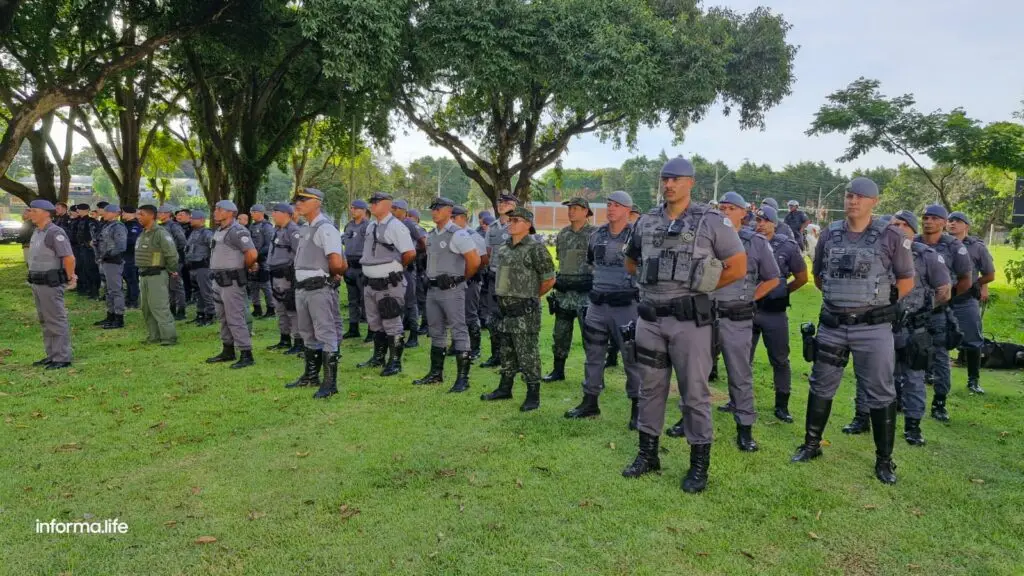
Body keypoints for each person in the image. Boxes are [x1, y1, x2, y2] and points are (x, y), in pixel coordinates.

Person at [621, 157, 746, 494]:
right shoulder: (647, 220)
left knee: (694, 394)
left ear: (691, 182)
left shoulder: (711, 220)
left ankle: (698, 466)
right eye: (665, 178)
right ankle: (648, 455)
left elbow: (737, 266)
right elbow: (631, 261)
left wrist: (702, 288)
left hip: (689, 322)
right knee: (650, 389)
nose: (669, 184)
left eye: (676, 179)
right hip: (650, 320)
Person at [791, 177, 914, 485]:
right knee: (821, 384)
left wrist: (878, 305)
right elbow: (820, 276)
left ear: (874, 202)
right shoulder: (829, 233)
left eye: (860, 196)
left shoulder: (892, 236)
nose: (853, 201)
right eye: (849, 196)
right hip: (833, 326)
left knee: (880, 391)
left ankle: (884, 460)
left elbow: (906, 280)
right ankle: (811, 445)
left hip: (873, 328)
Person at [565, 191, 643, 428]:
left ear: (628, 210)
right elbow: (592, 263)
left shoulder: (637, 236)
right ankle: (590, 401)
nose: (611, 208)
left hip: (626, 307)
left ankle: (638, 408)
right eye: (609, 204)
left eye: (617, 205)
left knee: (632, 357)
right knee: (593, 355)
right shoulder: (596, 234)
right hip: (598, 306)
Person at [709, 192, 780, 450]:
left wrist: (751, 298)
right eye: (721, 208)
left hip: (736, 318)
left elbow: (773, 278)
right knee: (695, 372)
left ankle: (745, 430)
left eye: (731, 208)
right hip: (704, 316)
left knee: (740, 375)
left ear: (743, 213)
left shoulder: (756, 242)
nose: (725, 212)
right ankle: (688, 418)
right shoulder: (705, 238)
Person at [479, 206, 556, 411]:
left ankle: (533, 395)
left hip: (524, 311)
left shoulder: (535, 248)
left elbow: (549, 279)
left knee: (527, 354)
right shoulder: (504, 248)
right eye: (510, 220)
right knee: (506, 351)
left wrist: (531, 297)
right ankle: (505, 388)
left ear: (528, 224)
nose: (510, 224)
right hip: (504, 310)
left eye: (516, 221)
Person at [891, 211, 951, 446]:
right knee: (875, 374)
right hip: (883, 324)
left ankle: (913, 427)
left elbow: (944, 291)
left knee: (913, 377)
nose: (897, 228)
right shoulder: (881, 251)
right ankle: (863, 417)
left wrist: (923, 309)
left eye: (903, 225)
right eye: (894, 224)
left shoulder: (927, 255)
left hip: (913, 327)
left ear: (913, 230)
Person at [284, 189, 347, 398]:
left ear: (317, 202)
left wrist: (334, 275)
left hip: (319, 287)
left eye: (303, 200)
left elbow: (337, 262)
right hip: (303, 288)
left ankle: (330, 383)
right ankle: (311, 376)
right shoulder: (306, 228)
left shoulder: (325, 228)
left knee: (325, 332)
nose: (298, 203)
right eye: (297, 200)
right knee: (307, 332)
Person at [413, 198, 481, 391]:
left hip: (451, 289)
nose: (434, 212)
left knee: (458, 330)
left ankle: (462, 379)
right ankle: (436, 374)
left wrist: (459, 278)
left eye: (438, 209)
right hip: (433, 289)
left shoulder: (458, 234)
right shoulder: (432, 234)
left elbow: (475, 261)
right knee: (436, 330)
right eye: (433, 209)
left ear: (449, 211)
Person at [750, 205, 807, 423]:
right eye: (758, 220)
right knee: (741, 358)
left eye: (766, 221)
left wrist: (782, 292)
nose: (761, 225)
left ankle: (782, 405)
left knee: (780, 359)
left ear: (775, 223)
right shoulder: (747, 241)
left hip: (774, 312)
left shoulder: (787, 246)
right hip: (748, 309)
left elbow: (801, 277)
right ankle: (738, 399)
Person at [916, 204, 972, 422]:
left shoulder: (953, 246)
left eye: (933, 218)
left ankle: (939, 402)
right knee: (906, 351)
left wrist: (947, 300)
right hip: (912, 310)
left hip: (938, 311)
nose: (928, 221)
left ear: (942, 222)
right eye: (925, 217)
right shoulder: (913, 242)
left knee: (940, 356)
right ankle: (902, 397)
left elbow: (965, 279)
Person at [357, 192, 417, 375]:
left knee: (392, 321)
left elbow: (410, 253)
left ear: (387, 205)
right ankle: (378, 357)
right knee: (375, 322)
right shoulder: (372, 225)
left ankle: (395, 362)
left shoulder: (396, 226)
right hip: (370, 283)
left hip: (388, 284)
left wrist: (397, 267)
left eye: (377, 202)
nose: (372, 205)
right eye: (372, 202)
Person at [541, 197, 596, 383]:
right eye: (569, 208)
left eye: (576, 208)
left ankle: (594, 376)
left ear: (586, 211)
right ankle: (558, 371)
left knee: (590, 336)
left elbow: (601, 264)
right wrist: (558, 282)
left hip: (585, 294)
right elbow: (561, 261)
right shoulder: (563, 234)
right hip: (564, 294)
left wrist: (590, 282)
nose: (571, 211)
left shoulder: (595, 234)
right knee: (560, 334)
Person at [205, 200, 259, 369]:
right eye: (215, 209)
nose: (215, 212)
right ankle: (228, 350)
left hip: (232, 281)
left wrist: (246, 266)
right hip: (218, 280)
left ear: (230, 212)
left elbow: (252, 253)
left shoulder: (237, 230)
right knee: (222, 317)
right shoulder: (220, 230)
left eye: (219, 209)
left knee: (235, 317)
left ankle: (246, 353)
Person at [947, 212, 995, 394]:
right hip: (940, 299)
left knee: (973, 339)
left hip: (965, 299)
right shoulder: (939, 243)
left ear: (966, 225)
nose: (952, 224)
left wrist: (977, 285)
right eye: (950, 221)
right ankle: (930, 374)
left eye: (957, 221)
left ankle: (973, 380)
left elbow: (989, 273)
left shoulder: (976, 247)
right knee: (933, 336)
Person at [25, 199, 76, 369]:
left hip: (50, 284)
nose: (30, 213)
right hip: (38, 282)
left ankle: (62, 357)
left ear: (46, 213)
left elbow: (69, 258)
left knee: (55, 319)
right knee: (45, 320)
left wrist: (70, 277)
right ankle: (52, 355)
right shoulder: (37, 231)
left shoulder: (55, 232)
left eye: (34, 211)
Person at [480, 193, 519, 368]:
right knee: (493, 318)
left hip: (511, 279)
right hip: (494, 277)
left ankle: (514, 357)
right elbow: (488, 252)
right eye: (500, 202)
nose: (502, 204)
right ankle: (496, 355)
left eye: (507, 202)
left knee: (511, 319)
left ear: (515, 205)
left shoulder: (519, 225)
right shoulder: (493, 227)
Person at [135, 205, 180, 346]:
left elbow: (171, 254)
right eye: (138, 214)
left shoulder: (161, 233)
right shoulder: (144, 233)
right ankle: (154, 336)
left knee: (159, 307)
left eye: (141, 214)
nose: (138, 217)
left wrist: (172, 269)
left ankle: (168, 338)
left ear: (151, 216)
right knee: (146, 308)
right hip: (144, 275)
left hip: (157, 275)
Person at [264, 203, 302, 351]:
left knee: (291, 309)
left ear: (286, 214)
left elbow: (300, 254)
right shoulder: (278, 230)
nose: (273, 215)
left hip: (288, 276)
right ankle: (285, 339)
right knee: (280, 309)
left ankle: (298, 341)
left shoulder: (293, 231)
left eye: (276, 212)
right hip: (275, 275)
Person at [453, 205, 488, 359]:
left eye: (453, 217)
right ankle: (457, 344)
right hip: (454, 281)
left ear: (462, 218)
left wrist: (470, 274)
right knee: (455, 314)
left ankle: (475, 348)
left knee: (470, 314)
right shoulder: (452, 234)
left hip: (471, 281)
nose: (450, 221)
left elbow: (484, 259)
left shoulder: (473, 236)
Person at [389, 200, 425, 348]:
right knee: (397, 301)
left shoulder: (409, 223)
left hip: (407, 268)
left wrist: (414, 253)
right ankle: (398, 333)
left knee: (410, 302)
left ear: (403, 210)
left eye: (395, 208)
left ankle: (414, 335)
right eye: (392, 208)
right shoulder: (390, 223)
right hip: (393, 268)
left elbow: (423, 242)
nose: (392, 210)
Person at [94, 204, 127, 329]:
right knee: (108, 291)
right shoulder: (106, 225)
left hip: (113, 261)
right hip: (105, 261)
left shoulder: (118, 227)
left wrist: (108, 255)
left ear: (115, 213)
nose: (104, 214)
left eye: (107, 212)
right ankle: (110, 315)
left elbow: (121, 246)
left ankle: (119, 318)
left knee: (115, 290)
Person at [342, 199, 370, 339]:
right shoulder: (349, 225)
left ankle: (372, 330)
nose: (352, 210)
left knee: (367, 300)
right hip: (350, 267)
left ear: (364, 210)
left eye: (356, 208)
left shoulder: (368, 226)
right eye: (352, 208)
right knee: (352, 299)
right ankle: (354, 328)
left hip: (363, 267)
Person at [185, 210, 216, 326]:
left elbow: (214, 248)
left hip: (203, 267)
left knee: (206, 292)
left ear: (202, 220)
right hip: (193, 267)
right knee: (197, 292)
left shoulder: (207, 233)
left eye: (193, 218)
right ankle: (200, 314)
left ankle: (210, 315)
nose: (190, 220)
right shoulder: (193, 232)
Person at [157, 204, 188, 320]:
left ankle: (181, 311)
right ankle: (171, 309)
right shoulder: (160, 226)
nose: (158, 215)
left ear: (167, 214)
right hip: (164, 260)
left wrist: (173, 253)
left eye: (160, 213)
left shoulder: (174, 226)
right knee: (169, 286)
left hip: (175, 260)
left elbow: (182, 242)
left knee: (177, 286)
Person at [247, 204, 275, 318]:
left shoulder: (266, 226)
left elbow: (269, 245)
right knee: (253, 285)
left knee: (265, 286)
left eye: (253, 212)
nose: (251, 214)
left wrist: (257, 258)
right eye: (251, 212)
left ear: (260, 213)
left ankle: (271, 309)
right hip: (252, 261)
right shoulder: (252, 226)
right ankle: (257, 309)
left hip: (263, 261)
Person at [409, 208, 430, 337]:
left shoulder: (417, 229)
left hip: (420, 267)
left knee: (422, 298)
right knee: (414, 297)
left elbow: (424, 244)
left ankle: (426, 324)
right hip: (415, 267)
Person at [121, 207, 142, 308]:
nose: (122, 214)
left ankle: (133, 301)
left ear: (130, 213)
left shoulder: (135, 225)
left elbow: (133, 240)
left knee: (132, 279)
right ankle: (128, 299)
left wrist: (120, 241)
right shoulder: (125, 224)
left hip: (132, 255)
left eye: (124, 212)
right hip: (125, 255)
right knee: (127, 278)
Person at [175, 208, 194, 305]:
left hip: (191, 257)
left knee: (191, 278)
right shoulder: (175, 227)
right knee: (182, 278)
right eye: (178, 215)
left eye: (181, 215)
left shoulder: (193, 228)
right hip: (179, 256)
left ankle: (193, 296)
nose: (178, 217)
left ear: (189, 216)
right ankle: (186, 297)